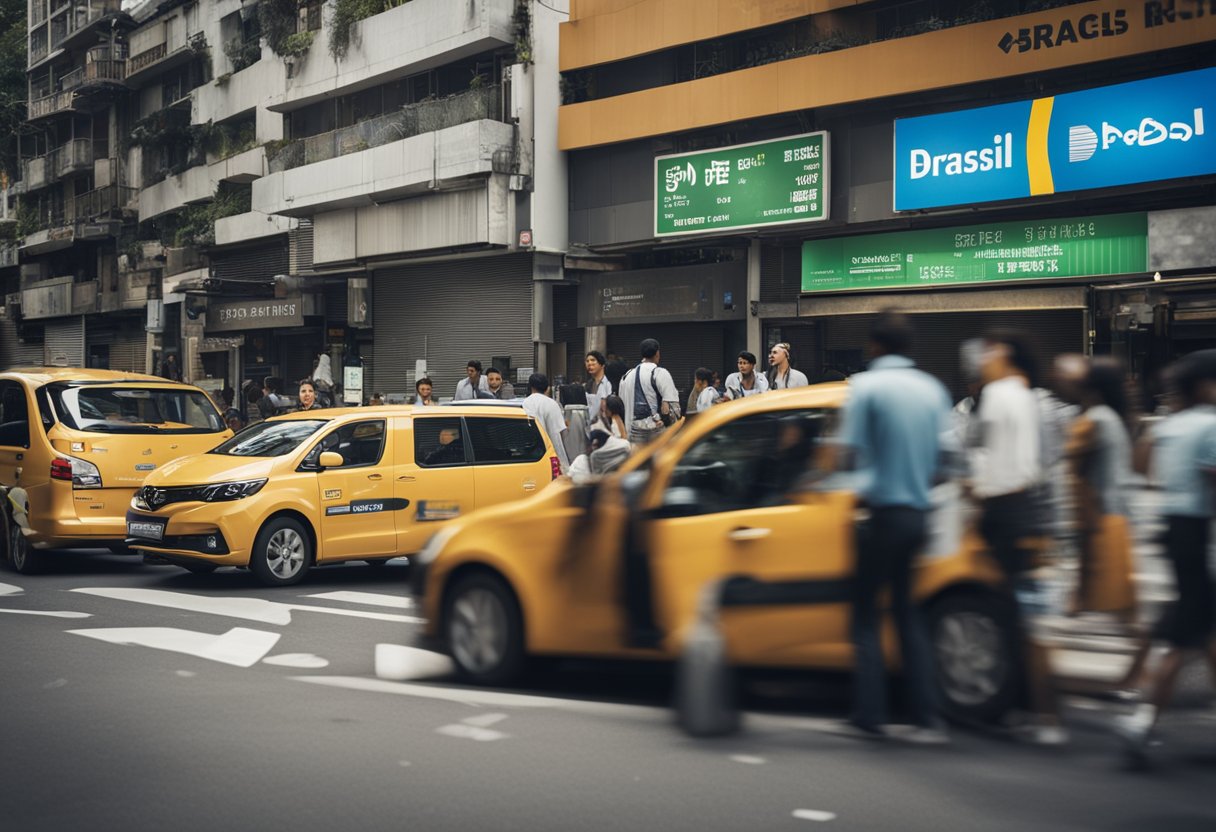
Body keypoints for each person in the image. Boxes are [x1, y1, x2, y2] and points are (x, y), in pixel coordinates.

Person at [836, 310, 952, 744]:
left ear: (874, 345)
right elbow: (947, 462)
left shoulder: (867, 387)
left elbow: (847, 455)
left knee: (866, 614)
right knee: (908, 612)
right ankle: (927, 718)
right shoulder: (933, 389)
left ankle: (870, 714)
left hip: (880, 516)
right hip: (918, 517)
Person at [1115, 350, 1216, 756]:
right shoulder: (1209, 423)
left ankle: (1143, 722)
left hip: (1173, 531)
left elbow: (1140, 466)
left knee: (1202, 631)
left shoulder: (1170, 425)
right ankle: (1140, 723)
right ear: (1204, 386)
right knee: (1183, 635)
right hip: (1199, 533)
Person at [971, 330, 1066, 745]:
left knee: (1019, 619)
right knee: (1024, 618)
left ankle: (1036, 713)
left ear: (1005, 354)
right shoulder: (1031, 396)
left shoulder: (998, 394)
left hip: (1006, 513)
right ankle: (1035, 712)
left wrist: (976, 504)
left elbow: (985, 458)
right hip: (1028, 513)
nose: (982, 359)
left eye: (988, 352)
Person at [1064, 357, 1137, 620]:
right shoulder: (1114, 418)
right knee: (1118, 599)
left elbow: (1073, 468)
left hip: (1099, 515)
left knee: (1114, 599)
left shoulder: (1094, 420)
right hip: (1117, 512)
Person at [619, 338, 681, 447]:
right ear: (657, 353)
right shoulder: (660, 373)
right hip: (656, 434)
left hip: (632, 435)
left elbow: (621, 405)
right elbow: (673, 407)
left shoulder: (627, 376)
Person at [522, 373, 570, 471]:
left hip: (530, 454)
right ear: (547, 388)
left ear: (531, 387)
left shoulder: (524, 403)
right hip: (551, 454)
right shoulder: (552, 404)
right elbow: (560, 432)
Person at [584, 351, 612, 417]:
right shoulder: (588, 385)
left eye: (593, 360)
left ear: (602, 365)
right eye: (587, 361)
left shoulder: (609, 383)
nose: (589, 363)